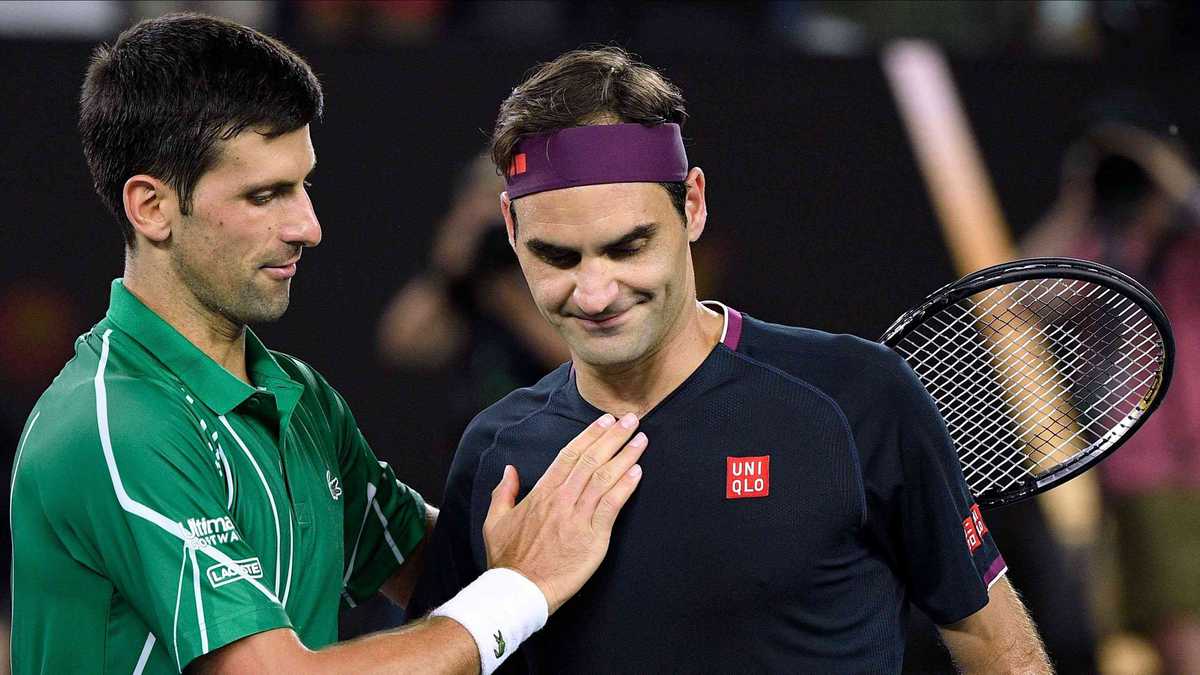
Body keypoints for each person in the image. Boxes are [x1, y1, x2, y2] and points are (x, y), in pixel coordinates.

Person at [9, 14, 648, 675]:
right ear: (152, 207)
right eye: (265, 195)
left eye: (303, 185)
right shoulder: (114, 426)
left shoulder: (303, 401)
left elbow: (453, 571)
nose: (307, 227)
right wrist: (519, 589)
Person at [409, 47, 1052, 673]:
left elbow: (1001, 650)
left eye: (628, 248)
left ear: (692, 205)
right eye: (557, 256)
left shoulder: (858, 396)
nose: (595, 293)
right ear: (511, 229)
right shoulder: (494, 451)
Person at [1021, 95, 1200, 675]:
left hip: (1186, 470)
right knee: (1171, 636)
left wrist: (1168, 177)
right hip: (1145, 477)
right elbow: (1017, 296)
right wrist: (1079, 201)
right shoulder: (1105, 253)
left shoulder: (1188, 246)